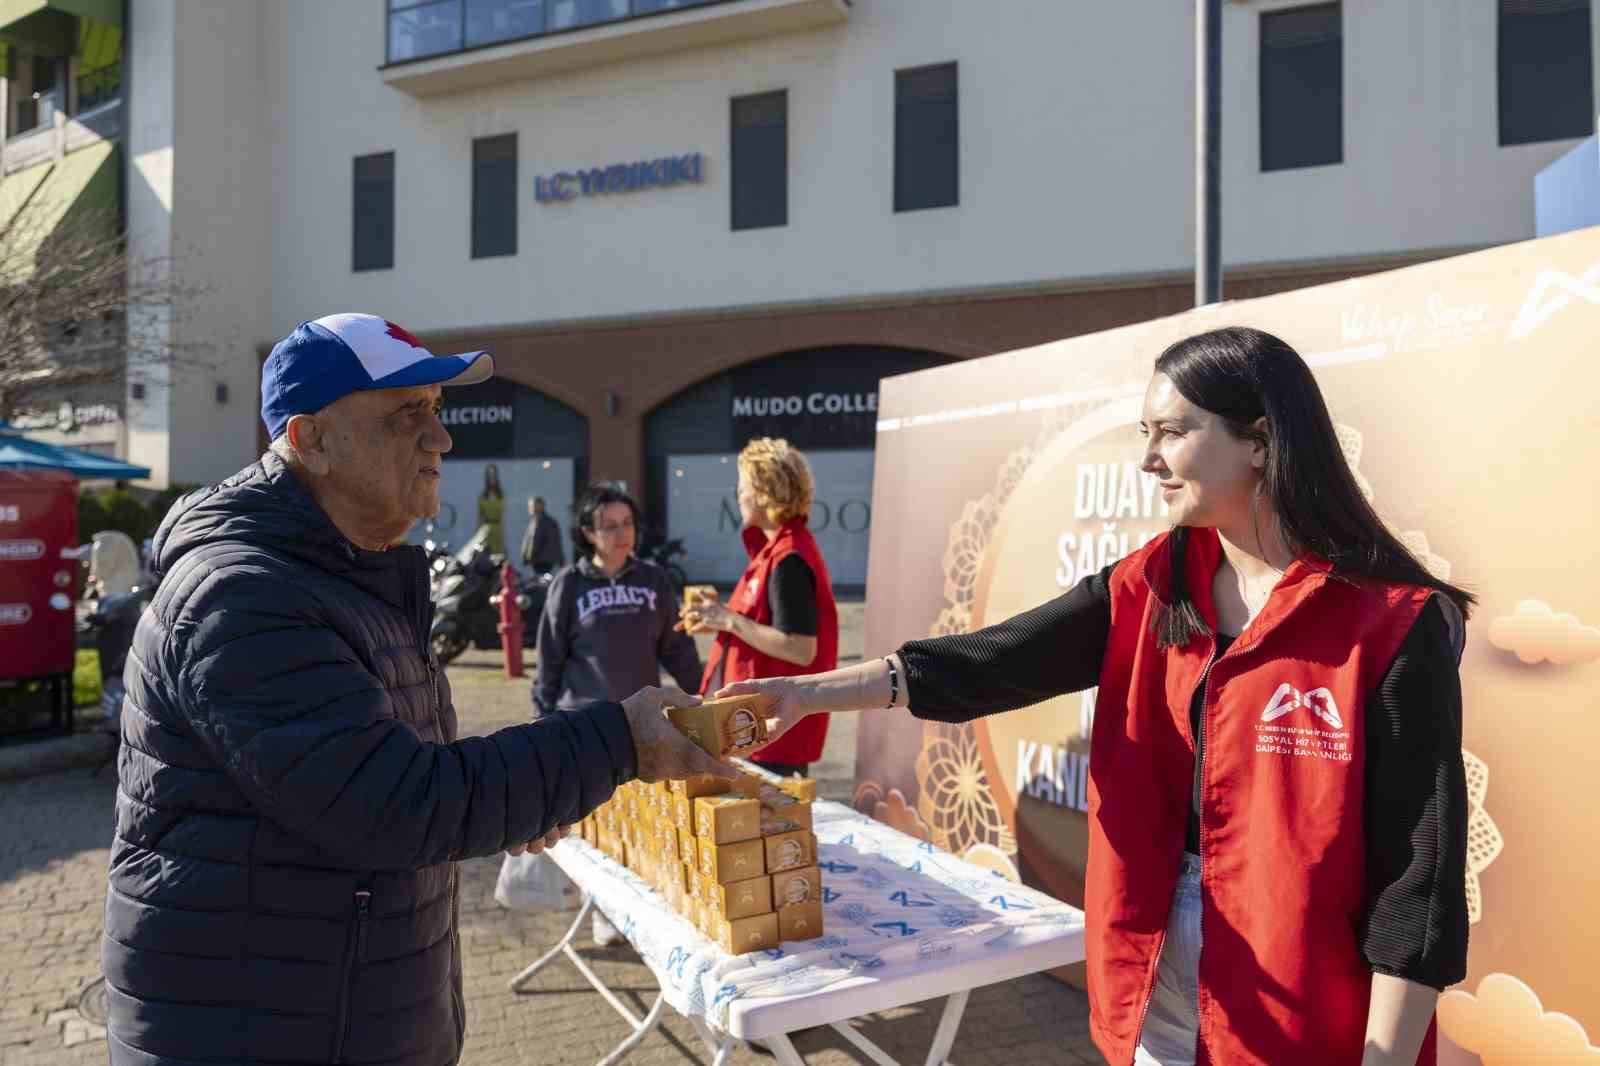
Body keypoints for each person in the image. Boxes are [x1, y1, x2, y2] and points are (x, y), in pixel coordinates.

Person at [716, 328, 1470, 1066]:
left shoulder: (1392, 622)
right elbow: (989, 663)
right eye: (1146, 433)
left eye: (1172, 433)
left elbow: (1418, 876)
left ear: (1260, 440)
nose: (1148, 460)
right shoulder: (1147, 585)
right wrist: (805, 693)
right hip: (1152, 975)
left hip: (1303, 1009)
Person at [104, 313, 731, 1066]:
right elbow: (398, 804)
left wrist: (521, 795)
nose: (441, 440)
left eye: (436, 411)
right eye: (407, 416)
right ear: (312, 441)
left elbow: (386, 773)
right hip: (261, 1030)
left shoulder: (344, 575)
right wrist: (617, 740)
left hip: (334, 1012)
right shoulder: (243, 595)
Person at [534, 482, 703, 943]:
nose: (621, 533)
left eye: (627, 523)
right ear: (588, 532)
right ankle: (601, 911)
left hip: (640, 728)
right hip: (582, 726)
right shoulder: (569, 584)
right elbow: (550, 658)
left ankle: (641, 911)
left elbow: (677, 648)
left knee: (640, 826)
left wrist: (702, 695)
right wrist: (542, 719)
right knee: (594, 830)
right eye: (609, 526)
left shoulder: (654, 580)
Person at [685, 437, 837, 778]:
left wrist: (729, 620)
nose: (738, 495)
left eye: (743, 486)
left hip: (771, 733)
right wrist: (722, 620)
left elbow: (800, 648)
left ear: (764, 491)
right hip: (760, 727)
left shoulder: (788, 558)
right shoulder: (776, 551)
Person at [520, 494, 564, 575]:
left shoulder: (540, 521)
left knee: (541, 582)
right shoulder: (544, 521)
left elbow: (535, 541)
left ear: (540, 506)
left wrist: (527, 557)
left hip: (541, 560)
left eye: (532, 506)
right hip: (545, 560)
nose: (530, 508)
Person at [477, 462, 505, 556]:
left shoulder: (501, 495)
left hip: (498, 530)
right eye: (490, 474)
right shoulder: (483, 496)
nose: (492, 477)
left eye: (493, 474)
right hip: (486, 530)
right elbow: (480, 515)